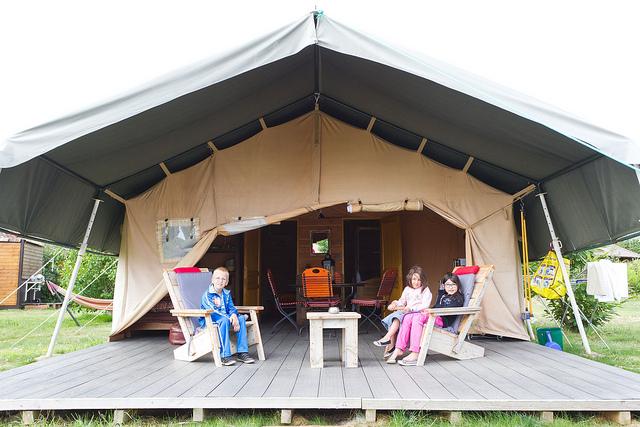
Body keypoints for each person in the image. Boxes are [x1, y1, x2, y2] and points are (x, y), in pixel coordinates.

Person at [391, 273, 464, 365]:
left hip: (442, 320)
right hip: (435, 316)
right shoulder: (443, 295)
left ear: (458, 285)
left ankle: (415, 353)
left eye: (454, 284)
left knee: (417, 318)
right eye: (448, 285)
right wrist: (429, 309)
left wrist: (430, 311)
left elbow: (448, 309)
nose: (451, 287)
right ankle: (399, 348)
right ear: (444, 286)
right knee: (408, 317)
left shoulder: (458, 298)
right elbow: (437, 305)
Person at [372, 265, 432, 359]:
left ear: (423, 280)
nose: (416, 282)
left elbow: (425, 305)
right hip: (407, 313)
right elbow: (402, 301)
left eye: (419, 280)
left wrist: (411, 308)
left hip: (417, 314)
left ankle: (388, 339)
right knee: (395, 316)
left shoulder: (425, 290)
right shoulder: (407, 289)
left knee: (397, 317)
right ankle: (389, 340)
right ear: (410, 279)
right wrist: (395, 304)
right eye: (414, 279)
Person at [199, 266, 255, 366]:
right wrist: (232, 318)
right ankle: (224, 355)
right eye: (217, 278)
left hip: (225, 319)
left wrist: (234, 315)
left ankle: (242, 352)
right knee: (225, 320)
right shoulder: (207, 295)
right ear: (212, 280)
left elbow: (231, 307)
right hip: (211, 320)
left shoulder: (226, 294)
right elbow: (214, 311)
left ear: (226, 282)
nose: (220, 281)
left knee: (241, 319)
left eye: (223, 279)